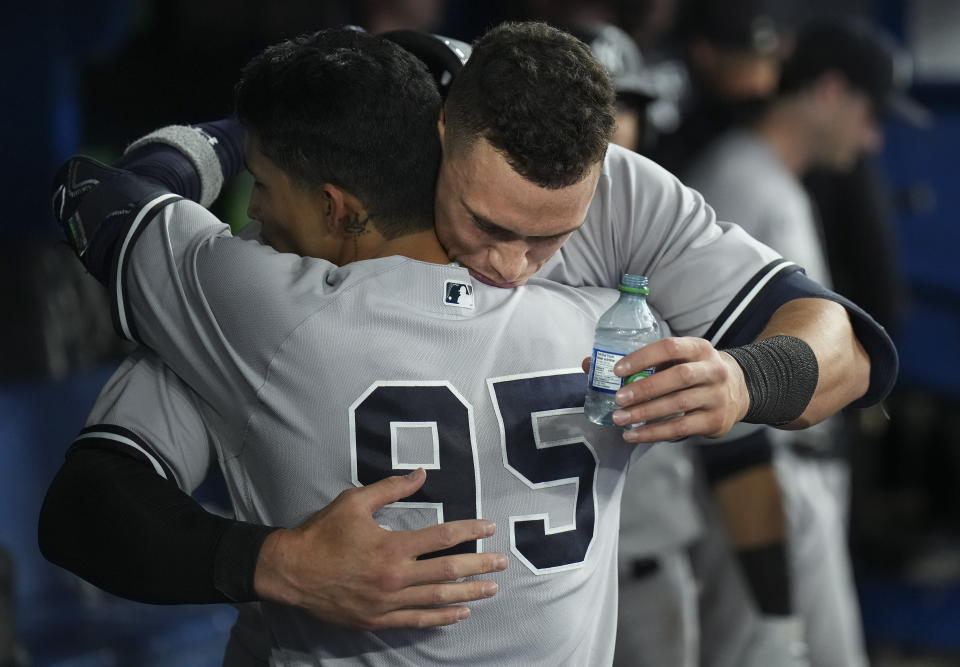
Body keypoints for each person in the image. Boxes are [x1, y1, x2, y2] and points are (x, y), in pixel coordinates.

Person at [42, 19, 896, 661]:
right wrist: (276, 565)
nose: (516, 266)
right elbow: (88, 506)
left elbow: (848, 352)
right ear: (440, 126)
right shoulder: (598, 313)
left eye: (553, 235)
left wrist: (747, 379)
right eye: (491, 224)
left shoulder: (250, 302)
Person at [683, 17, 922, 667]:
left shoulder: (773, 179)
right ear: (830, 91)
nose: (874, 137)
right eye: (870, 114)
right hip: (759, 473)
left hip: (797, 467)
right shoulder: (739, 179)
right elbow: (705, 348)